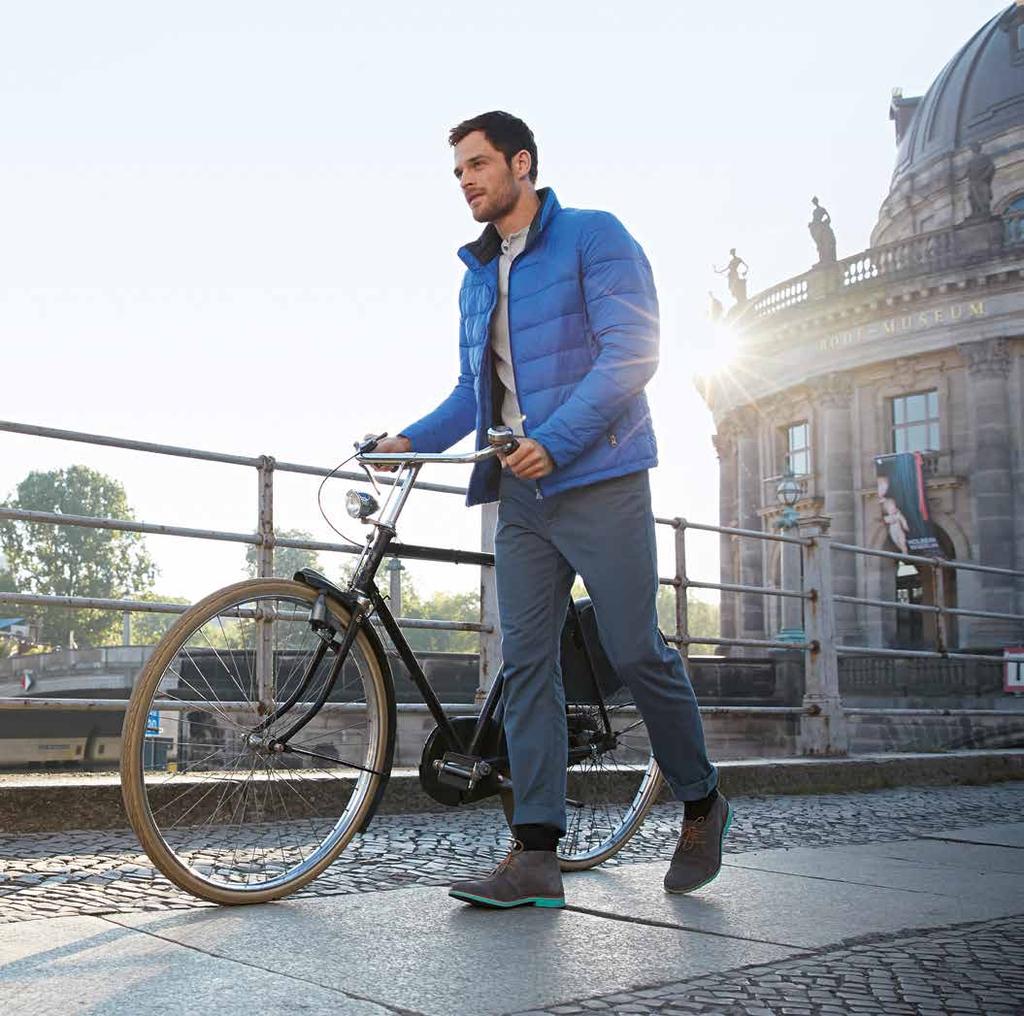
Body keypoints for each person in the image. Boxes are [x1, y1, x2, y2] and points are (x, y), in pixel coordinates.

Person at [372, 111, 726, 909]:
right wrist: (407, 438)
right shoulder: (475, 274)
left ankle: (701, 800)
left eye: (478, 164)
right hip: (521, 495)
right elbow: (475, 392)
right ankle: (533, 855)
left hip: (600, 477)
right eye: (457, 169)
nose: (465, 179)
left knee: (636, 651)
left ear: (521, 163)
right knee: (525, 665)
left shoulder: (596, 238)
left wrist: (558, 441)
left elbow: (631, 353)